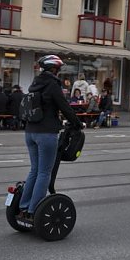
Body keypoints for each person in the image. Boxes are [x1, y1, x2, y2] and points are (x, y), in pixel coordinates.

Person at [16, 55, 82, 224]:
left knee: (34, 170)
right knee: (45, 172)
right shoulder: (52, 84)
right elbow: (64, 106)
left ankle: (23, 207)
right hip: (46, 133)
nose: (58, 73)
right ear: (54, 69)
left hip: (30, 132)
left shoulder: (34, 84)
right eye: (58, 70)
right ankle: (33, 211)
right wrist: (77, 123)